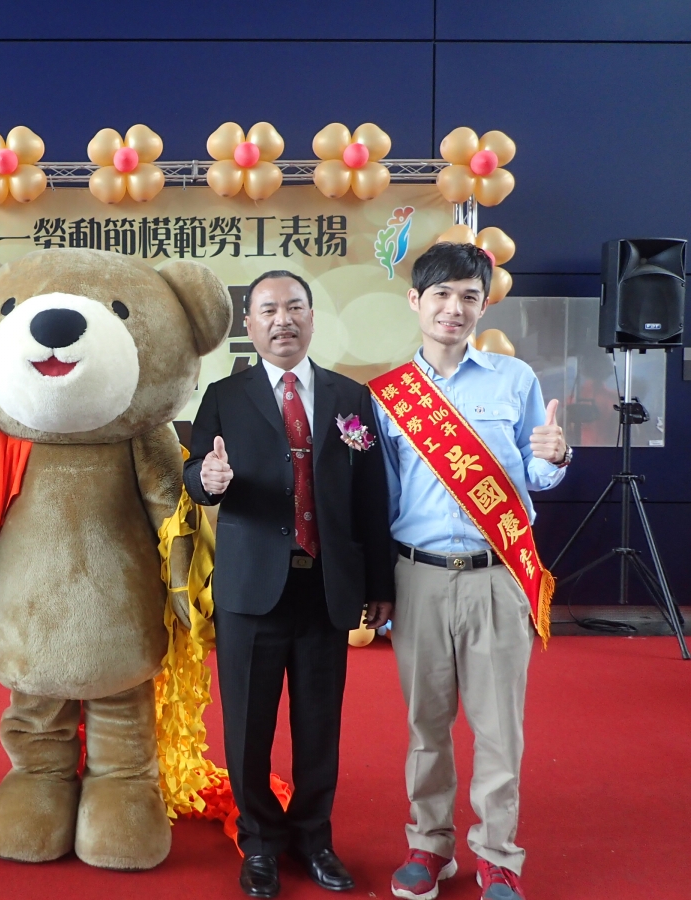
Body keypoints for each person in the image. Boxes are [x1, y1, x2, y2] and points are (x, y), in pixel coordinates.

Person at [184, 270, 395, 898]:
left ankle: (314, 837)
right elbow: (193, 474)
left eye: (295, 307)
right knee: (248, 727)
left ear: (311, 317)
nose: (284, 320)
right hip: (252, 589)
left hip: (327, 586)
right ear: (249, 325)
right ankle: (259, 843)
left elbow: (370, 496)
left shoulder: (350, 397)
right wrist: (208, 482)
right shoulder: (225, 395)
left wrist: (379, 580)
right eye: (269, 310)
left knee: (319, 726)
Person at [371, 243, 570, 900]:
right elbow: (386, 497)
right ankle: (429, 846)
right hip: (419, 577)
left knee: (498, 727)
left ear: (484, 305)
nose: (454, 308)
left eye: (468, 297)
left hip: (497, 573)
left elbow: (534, 473)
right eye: (441, 294)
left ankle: (497, 855)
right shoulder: (389, 397)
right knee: (425, 725)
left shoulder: (514, 379)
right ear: (416, 301)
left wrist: (554, 457)